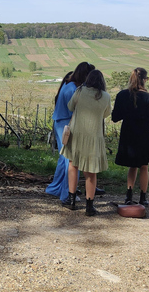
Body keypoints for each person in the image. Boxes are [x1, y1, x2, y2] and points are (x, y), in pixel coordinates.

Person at [60, 69, 111, 216]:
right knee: (91, 171)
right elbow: (106, 114)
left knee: (73, 165)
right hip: (94, 136)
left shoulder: (80, 91)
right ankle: (89, 205)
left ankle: (71, 199)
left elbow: (70, 106)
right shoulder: (106, 96)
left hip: (77, 134)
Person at [45, 63, 95, 203]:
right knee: (71, 160)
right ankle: (67, 193)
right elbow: (77, 111)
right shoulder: (74, 90)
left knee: (64, 158)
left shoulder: (68, 85)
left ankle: (56, 188)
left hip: (60, 123)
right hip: (67, 124)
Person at [111, 67, 149, 206]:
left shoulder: (122, 95)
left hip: (128, 133)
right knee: (144, 166)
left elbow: (115, 117)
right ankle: (143, 197)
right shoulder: (148, 97)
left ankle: (128, 195)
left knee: (132, 166)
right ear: (144, 80)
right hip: (144, 134)